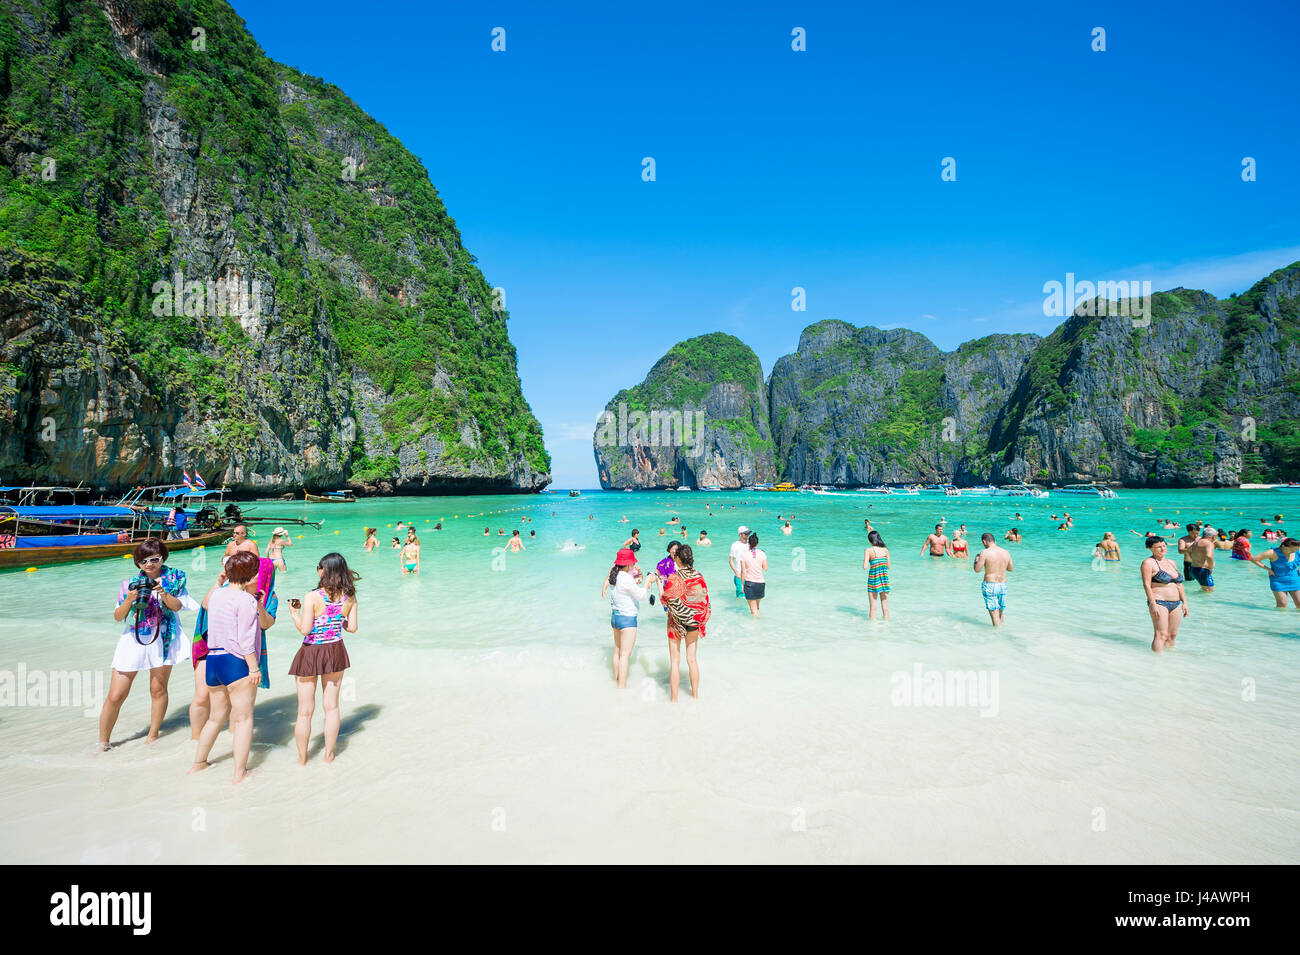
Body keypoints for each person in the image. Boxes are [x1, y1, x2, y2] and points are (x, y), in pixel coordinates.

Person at [97, 539, 194, 750]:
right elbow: (118, 616)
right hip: (133, 638)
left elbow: (177, 607)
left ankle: (153, 735)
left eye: (154, 559)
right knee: (116, 695)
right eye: (143, 561)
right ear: (138, 563)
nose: (149, 564)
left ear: (162, 558)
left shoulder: (175, 579)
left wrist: (163, 592)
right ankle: (103, 742)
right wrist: (129, 599)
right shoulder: (129, 584)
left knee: (158, 689)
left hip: (164, 638)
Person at [189, 551, 265, 784]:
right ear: (251, 574)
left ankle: (199, 764)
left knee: (215, 718)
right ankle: (239, 773)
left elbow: (207, 607)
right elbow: (245, 639)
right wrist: (254, 668)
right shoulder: (246, 601)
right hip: (236, 663)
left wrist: (218, 581)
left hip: (213, 660)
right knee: (243, 719)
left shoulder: (216, 595)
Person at [287, 554, 359, 765]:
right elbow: (352, 628)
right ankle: (329, 755)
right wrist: (339, 619)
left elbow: (305, 629)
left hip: (311, 651)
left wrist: (294, 614)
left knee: (305, 711)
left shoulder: (312, 596)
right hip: (335, 650)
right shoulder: (350, 596)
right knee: (332, 707)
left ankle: (302, 760)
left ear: (324, 570)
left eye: (318, 568)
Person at [661, 544, 710, 702]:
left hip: (676, 623)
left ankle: (674, 700)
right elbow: (702, 600)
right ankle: (695, 696)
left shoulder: (674, 578)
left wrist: (657, 585)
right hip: (694, 622)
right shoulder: (699, 575)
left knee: (675, 661)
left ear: (677, 558)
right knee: (692, 659)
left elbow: (666, 600)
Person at [604, 548, 653, 688]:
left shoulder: (615, 576)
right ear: (627, 564)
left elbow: (624, 590)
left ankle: (616, 680)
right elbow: (641, 596)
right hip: (627, 619)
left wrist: (636, 581)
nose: (632, 565)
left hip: (615, 617)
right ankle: (621, 688)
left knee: (617, 651)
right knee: (625, 655)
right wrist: (647, 583)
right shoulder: (626, 577)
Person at [1141, 536, 1188, 652]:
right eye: (1158, 547)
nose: (1162, 549)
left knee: (1172, 635)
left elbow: (1179, 584)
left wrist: (1185, 602)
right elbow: (1146, 585)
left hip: (1176, 603)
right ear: (1150, 548)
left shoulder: (1171, 562)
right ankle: (1156, 662)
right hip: (1159, 602)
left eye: (1164, 546)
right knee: (1161, 634)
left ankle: (1168, 663)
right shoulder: (1148, 563)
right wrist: (1152, 604)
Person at [973, 532, 1013, 626]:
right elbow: (1010, 569)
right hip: (1002, 585)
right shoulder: (1006, 552)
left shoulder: (985, 552)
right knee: (1000, 612)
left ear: (984, 541)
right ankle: (1002, 631)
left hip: (990, 585)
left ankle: (997, 636)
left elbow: (977, 570)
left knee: (994, 615)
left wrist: (976, 561)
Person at [1248, 537, 1300, 609]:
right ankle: (1280, 619)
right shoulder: (1272, 552)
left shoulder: (1297, 551)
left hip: (1295, 579)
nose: (1294, 551)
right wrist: (1268, 569)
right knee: (1282, 604)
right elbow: (1254, 559)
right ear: (1284, 546)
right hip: (1278, 580)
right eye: (1292, 550)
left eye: (1296, 549)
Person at [863, 529, 890, 620]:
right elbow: (888, 566)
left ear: (870, 540)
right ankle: (887, 628)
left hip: (873, 580)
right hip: (884, 580)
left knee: (873, 608)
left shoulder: (868, 550)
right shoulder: (885, 550)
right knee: (885, 608)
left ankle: (872, 631)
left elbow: (865, 566)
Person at [740, 532, 768, 617]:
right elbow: (765, 568)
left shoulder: (743, 555)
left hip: (750, 584)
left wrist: (742, 584)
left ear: (749, 544)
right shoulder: (762, 553)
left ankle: (757, 627)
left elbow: (743, 572)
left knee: (753, 611)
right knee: (757, 608)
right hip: (761, 583)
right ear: (757, 543)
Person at [728, 525, 750, 597]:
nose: (748, 535)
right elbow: (731, 560)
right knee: (741, 597)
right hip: (739, 575)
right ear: (740, 534)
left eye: (748, 533)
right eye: (746, 533)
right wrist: (736, 572)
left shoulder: (750, 543)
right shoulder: (735, 545)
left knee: (750, 597)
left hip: (750, 575)